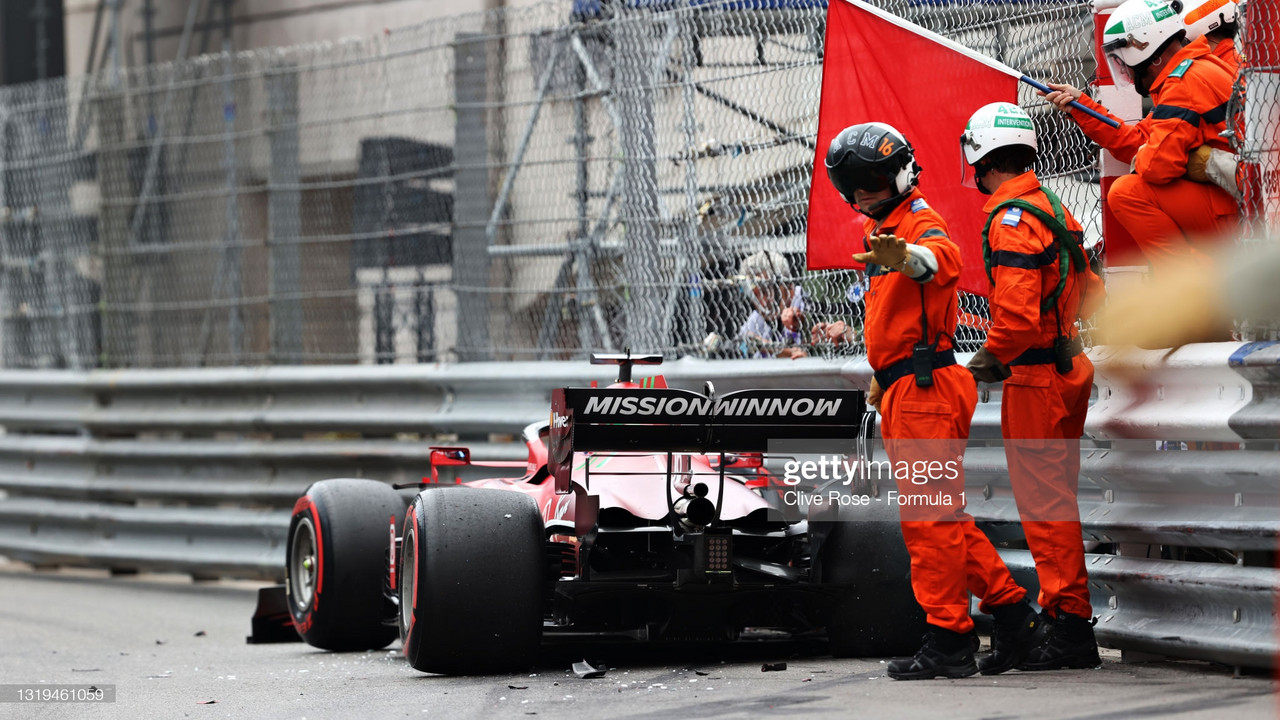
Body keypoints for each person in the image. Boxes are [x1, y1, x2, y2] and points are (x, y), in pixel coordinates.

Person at [825, 121, 1037, 680]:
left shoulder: (917, 224)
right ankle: (1013, 612)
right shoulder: (887, 227)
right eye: (852, 184)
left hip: (925, 390)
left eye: (870, 179)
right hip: (904, 386)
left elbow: (941, 260)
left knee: (929, 521)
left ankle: (949, 638)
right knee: (941, 517)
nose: (862, 193)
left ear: (895, 173)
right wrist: (883, 373)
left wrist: (908, 259)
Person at [961, 102, 1106, 671]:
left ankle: (1069, 628)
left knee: (1045, 508)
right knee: (1058, 504)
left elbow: (1016, 322)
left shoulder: (1010, 219)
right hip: (1067, 367)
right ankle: (1063, 614)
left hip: (1035, 379)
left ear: (981, 156)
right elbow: (1093, 291)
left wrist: (984, 361)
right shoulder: (1051, 205)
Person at [1040, 0, 1237, 272]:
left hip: (1237, 208)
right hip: (1241, 198)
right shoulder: (1192, 71)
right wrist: (1082, 107)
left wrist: (1147, 156)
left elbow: (1155, 166)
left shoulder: (1183, 84)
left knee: (1126, 192)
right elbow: (1137, 143)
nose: (1126, 72)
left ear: (1144, 50)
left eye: (1122, 59)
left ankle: (1196, 287)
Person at [730, 251, 855, 358]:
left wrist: (771, 348)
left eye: (765, 291)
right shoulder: (756, 319)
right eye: (754, 295)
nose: (762, 302)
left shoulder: (811, 301)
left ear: (785, 283)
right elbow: (738, 344)